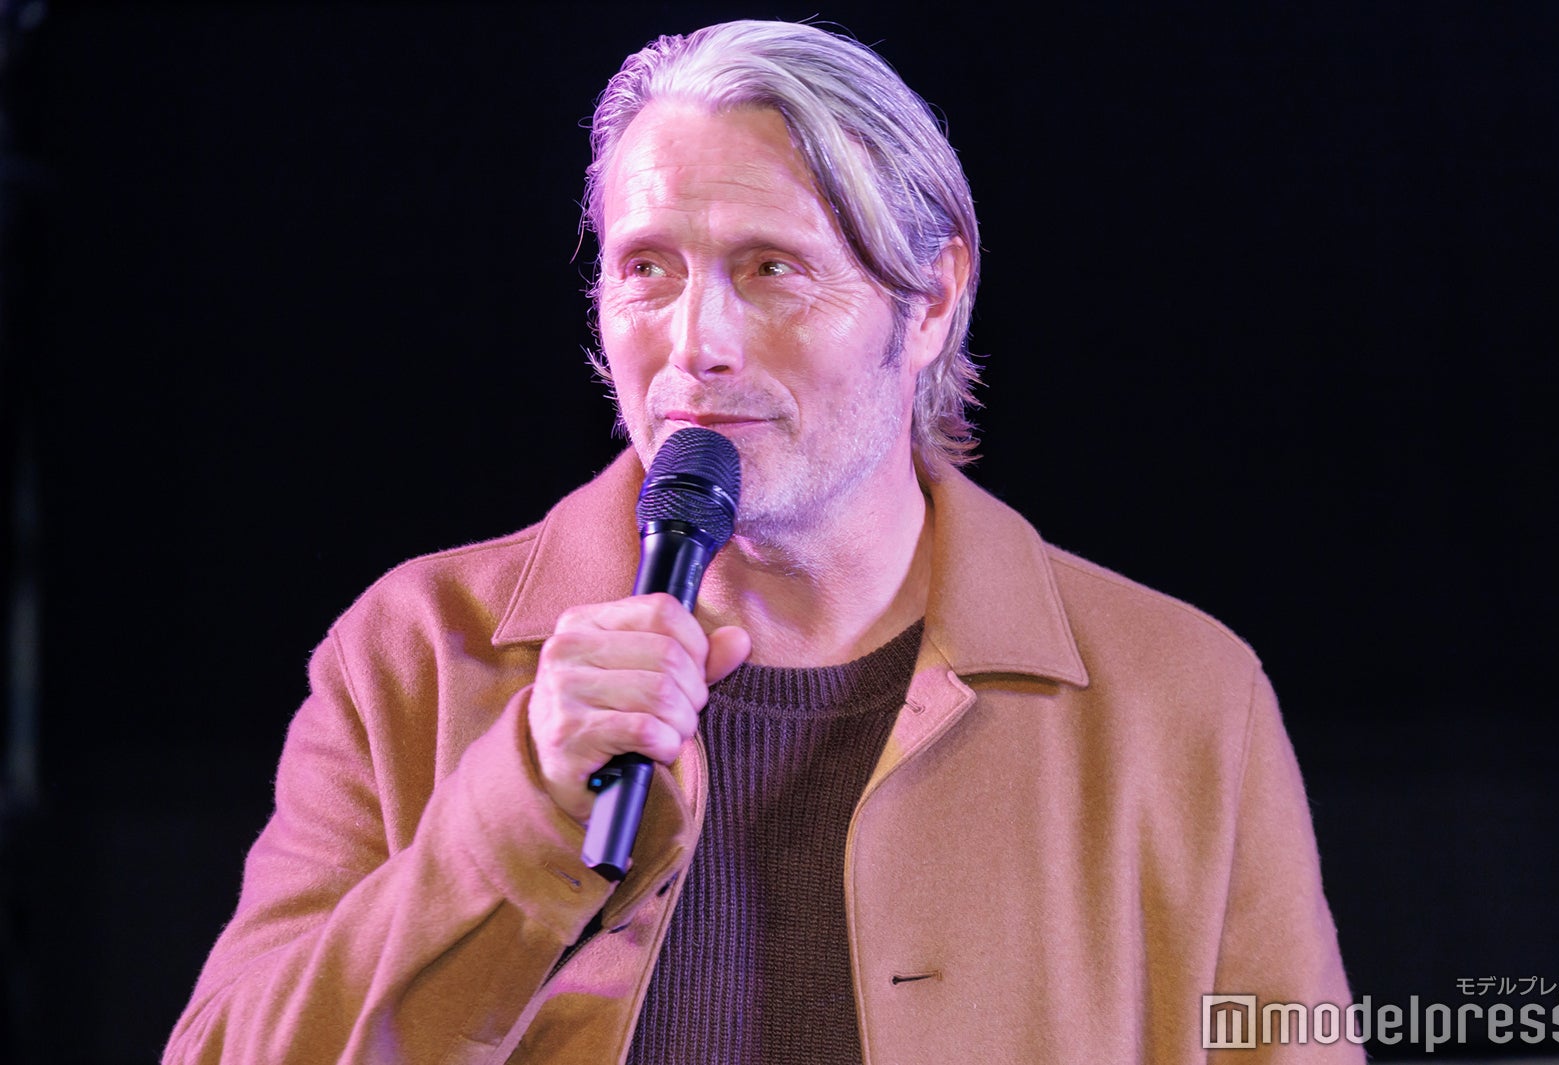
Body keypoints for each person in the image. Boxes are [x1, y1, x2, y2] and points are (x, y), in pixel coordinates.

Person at [165, 19, 1358, 1064]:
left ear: (931, 300)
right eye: (647, 270)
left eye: (770, 268)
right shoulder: (423, 651)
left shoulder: (1178, 693)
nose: (697, 343)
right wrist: (518, 804)